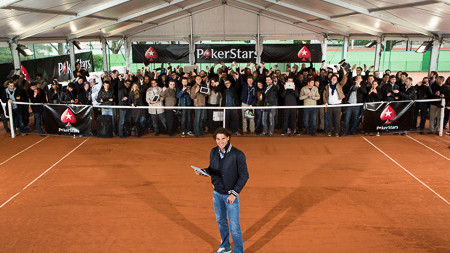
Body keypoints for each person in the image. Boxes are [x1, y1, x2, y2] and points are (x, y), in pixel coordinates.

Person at [194, 128, 249, 253]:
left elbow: (244, 175)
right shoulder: (213, 152)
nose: (220, 141)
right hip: (216, 193)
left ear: (228, 138)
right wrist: (202, 172)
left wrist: (234, 193)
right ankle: (225, 246)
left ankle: (239, 251)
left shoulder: (238, 154)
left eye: (223, 138)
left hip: (230, 196)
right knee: (221, 221)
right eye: (218, 139)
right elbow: (213, 170)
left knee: (234, 227)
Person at [323, 68, 348, 137]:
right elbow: (324, 96)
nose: (334, 80)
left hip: (337, 105)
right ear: (331, 79)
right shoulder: (327, 86)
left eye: (335, 79)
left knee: (337, 120)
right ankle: (329, 132)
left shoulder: (339, 85)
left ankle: (336, 132)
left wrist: (344, 72)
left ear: (337, 80)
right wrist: (325, 102)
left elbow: (344, 80)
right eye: (333, 78)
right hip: (330, 105)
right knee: (329, 120)